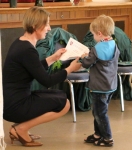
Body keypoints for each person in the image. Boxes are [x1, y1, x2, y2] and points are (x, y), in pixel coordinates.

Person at [2, 6, 81, 147]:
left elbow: (33, 67)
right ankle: (21, 128)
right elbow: (46, 81)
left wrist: (53, 58)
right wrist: (70, 69)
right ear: (35, 26)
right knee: (64, 104)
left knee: (60, 96)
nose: (49, 28)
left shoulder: (21, 43)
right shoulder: (27, 49)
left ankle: (20, 127)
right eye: (47, 24)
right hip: (16, 106)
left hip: (14, 101)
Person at [81, 15, 120, 147]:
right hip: (110, 84)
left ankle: (108, 138)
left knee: (99, 113)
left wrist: (82, 57)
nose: (93, 37)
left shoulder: (98, 48)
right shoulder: (113, 44)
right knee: (99, 111)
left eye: (93, 34)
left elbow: (87, 64)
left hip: (100, 86)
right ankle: (98, 134)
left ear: (99, 33)